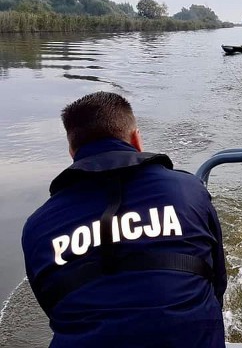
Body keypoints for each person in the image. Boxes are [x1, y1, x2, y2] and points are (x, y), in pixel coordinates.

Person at [22, 92, 227, 347]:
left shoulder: (37, 226)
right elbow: (218, 282)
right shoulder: (189, 191)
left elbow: (53, 309)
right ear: (136, 139)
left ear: (73, 152)